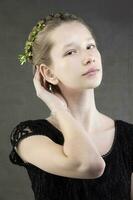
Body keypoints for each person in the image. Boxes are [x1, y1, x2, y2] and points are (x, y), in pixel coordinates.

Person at [9, 11, 133, 200]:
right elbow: (89, 166)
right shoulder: (30, 136)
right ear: (48, 73)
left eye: (90, 46)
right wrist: (58, 108)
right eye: (71, 52)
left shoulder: (129, 137)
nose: (89, 57)